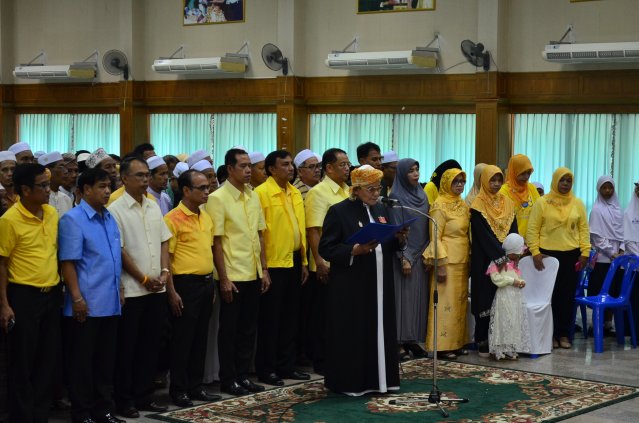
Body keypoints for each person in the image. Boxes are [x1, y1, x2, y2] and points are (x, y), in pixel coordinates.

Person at [319, 165, 406, 395]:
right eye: (371, 189)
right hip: (352, 284)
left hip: (379, 282)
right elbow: (326, 248)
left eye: (378, 188)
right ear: (356, 189)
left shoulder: (380, 209)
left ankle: (381, 381)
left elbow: (385, 242)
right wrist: (353, 250)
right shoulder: (339, 211)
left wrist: (399, 239)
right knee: (355, 331)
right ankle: (352, 383)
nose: (377, 193)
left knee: (379, 327)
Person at [58, 167, 124, 423]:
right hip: (86, 303)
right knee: (82, 364)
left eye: (109, 186)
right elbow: (68, 263)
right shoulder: (72, 219)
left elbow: (114, 258)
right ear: (85, 190)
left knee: (105, 363)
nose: (107, 191)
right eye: (101, 186)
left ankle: (103, 411)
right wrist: (76, 298)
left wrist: (119, 289)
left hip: (110, 303)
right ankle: (82, 413)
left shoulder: (109, 217)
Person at [109, 157, 172, 417]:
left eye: (147, 175)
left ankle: (144, 395)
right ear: (124, 179)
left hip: (158, 289)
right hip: (133, 290)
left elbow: (164, 241)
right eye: (139, 175)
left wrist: (165, 271)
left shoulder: (154, 205)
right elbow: (120, 251)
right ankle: (125, 400)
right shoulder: (115, 209)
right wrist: (144, 278)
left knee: (150, 345)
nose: (145, 179)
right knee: (128, 348)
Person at [0, 163, 61, 423]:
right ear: (25, 190)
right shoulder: (9, 220)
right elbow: (1, 264)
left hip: (52, 293)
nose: (49, 190)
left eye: (48, 184)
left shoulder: (51, 213)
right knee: (23, 360)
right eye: (43, 186)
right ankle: (22, 416)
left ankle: (40, 413)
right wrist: (4, 304)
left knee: (48, 358)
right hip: (24, 296)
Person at [206, 148, 270, 397]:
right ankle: (228, 379)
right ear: (230, 168)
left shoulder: (253, 196)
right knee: (230, 330)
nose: (247, 170)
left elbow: (259, 235)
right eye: (242, 166)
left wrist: (264, 269)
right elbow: (217, 242)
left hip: (253, 272)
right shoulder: (218, 198)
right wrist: (223, 278)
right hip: (232, 274)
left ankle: (243, 376)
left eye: (249, 166)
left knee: (248, 329)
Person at [164, 170, 221, 407]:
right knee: (183, 340)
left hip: (206, 283)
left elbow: (210, 250)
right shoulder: (172, 218)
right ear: (186, 190)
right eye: (202, 188)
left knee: (200, 339)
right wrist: (172, 291)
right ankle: (179, 390)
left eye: (208, 187)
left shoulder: (206, 217)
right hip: (184, 285)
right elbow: (166, 259)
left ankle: (196, 387)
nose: (207, 192)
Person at [254, 150, 310, 386]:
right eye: (285, 165)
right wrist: (264, 268)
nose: (290, 168)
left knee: (291, 318)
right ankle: (268, 369)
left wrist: (305, 261)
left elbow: (300, 227)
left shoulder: (295, 192)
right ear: (271, 169)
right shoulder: (261, 193)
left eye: (291, 165)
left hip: (295, 260)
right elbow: (259, 234)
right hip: (274, 264)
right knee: (271, 320)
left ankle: (287, 366)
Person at [526, 167, 590, 350]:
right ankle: (550, 335)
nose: (565, 184)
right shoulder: (543, 202)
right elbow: (533, 229)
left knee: (567, 296)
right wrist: (535, 252)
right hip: (547, 255)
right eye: (562, 180)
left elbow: (584, 229)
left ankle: (563, 334)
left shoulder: (577, 203)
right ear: (555, 181)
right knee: (549, 296)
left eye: (568, 181)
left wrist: (585, 252)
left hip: (571, 255)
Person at [304, 148, 351, 374]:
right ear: (329, 168)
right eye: (342, 164)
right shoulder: (319, 193)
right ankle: (321, 361)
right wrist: (320, 262)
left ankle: (339, 356)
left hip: (346, 261)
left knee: (340, 314)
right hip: (326, 263)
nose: (347, 168)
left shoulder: (348, 191)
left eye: (348, 164)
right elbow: (314, 230)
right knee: (323, 316)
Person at [422, 168, 470, 359]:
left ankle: (457, 343)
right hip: (447, 261)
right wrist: (440, 263)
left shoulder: (462, 204)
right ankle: (441, 346)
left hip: (462, 260)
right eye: (455, 181)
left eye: (462, 182)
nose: (459, 185)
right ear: (446, 183)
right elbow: (435, 236)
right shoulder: (439, 205)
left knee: (459, 305)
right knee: (444, 305)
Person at [470, 165, 518, 358]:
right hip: (484, 259)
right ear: (484, 181)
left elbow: (513, 228)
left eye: (499, 180)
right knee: (485, 298)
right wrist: (500, 256)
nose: (497, 184)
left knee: (504, 299)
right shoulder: (477, 205)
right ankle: (482, 339)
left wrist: (514, 249)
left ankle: (501, 340)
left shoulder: (507, 202)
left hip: (505, 257)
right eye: (492, 180)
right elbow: (483, 235)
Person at [389, 158, 430, 359]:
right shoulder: (396, 196)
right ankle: (398, 342)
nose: (415, 174)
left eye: (417, 169)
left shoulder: (422, 194)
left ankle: (412, 339)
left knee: (417, 299)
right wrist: (404, 257)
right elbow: (397, 229)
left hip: (421, 254)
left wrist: (425, 254)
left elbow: (426, 227)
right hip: (404, 255)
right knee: (403, 299)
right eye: (410, 171)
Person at [587, 176, 624, 334]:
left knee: (613, 292)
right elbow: (596, 237)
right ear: (599, 189)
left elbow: (625, 232)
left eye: (610, 187)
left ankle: (608, 324)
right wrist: (612, 253)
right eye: (604, 188)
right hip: (602, 258)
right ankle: (597, 324)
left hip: (618, 259)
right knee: (600, 292)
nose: (608, 191)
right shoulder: (596, 210)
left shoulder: (618, 209)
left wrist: (621, 250)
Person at [487, 233, 530, 360]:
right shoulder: (498, 262)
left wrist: (520, 282)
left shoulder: (513, 262)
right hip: (504, 296)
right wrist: (512, 281)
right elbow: (496, 278)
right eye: (516, 254)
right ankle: (499, 349)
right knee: (503, 321)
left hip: (515, 297)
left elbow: (516, 276)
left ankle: (510, 348)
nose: (518, 256)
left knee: (513, 321)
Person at [500, 154, 541, 237]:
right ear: (513, 171)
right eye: (522, 173)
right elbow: (502, 222)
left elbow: (540, 212)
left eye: (528, 173)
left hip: (532, 241)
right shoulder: (504, 192)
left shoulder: (531, 188)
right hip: (513, 243)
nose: (526, 177)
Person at [39, 152, 73, 217]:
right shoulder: (39, 199)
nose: (66, 172)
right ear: (47, 170)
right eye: (61, 167)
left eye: (65, 167)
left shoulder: (66, 199)